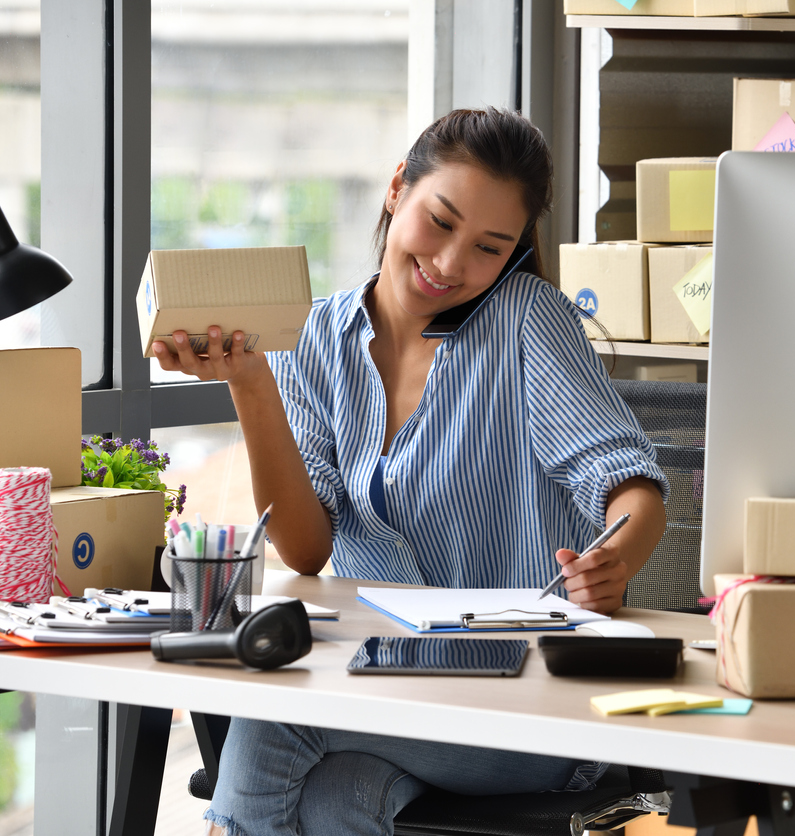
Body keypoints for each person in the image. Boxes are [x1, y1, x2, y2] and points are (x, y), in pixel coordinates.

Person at [153, 108, 668, 836]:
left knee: (276, 722)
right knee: (340, 796)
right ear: (398, 187)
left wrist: (617, 557)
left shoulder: (527, 319)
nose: (453, 263)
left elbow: (630, 485)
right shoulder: (317, 338)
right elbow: (306, 548)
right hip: (389, 692)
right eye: (441, 221)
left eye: (489, 248)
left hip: (528, 705)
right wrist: (251, 383)